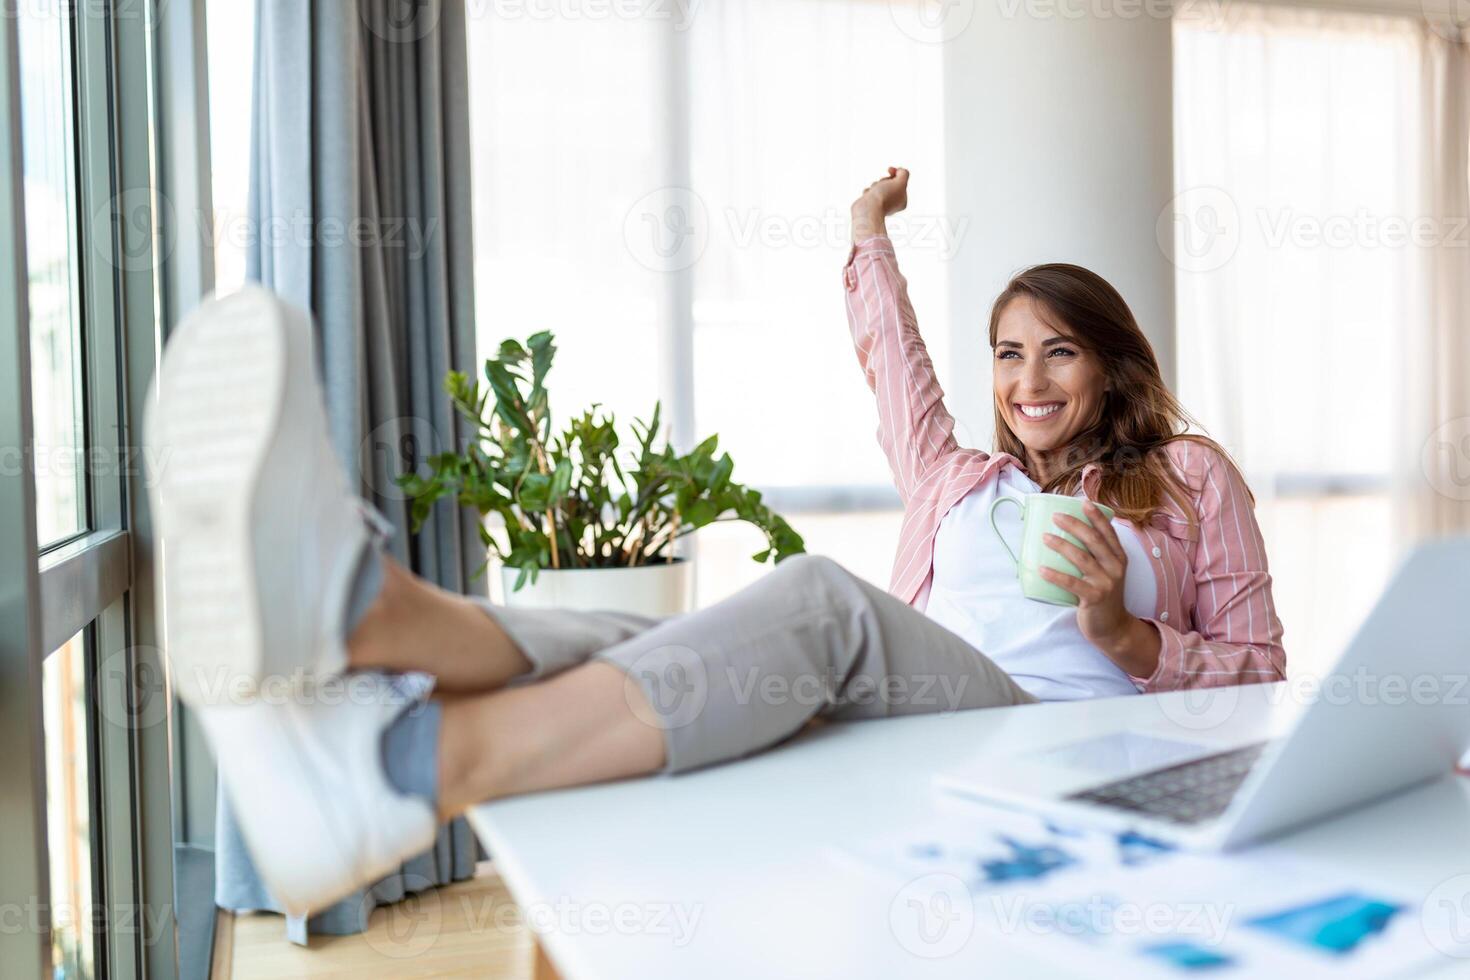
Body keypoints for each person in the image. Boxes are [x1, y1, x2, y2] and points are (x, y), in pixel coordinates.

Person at [146, 168, 1284, 915]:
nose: (1027, 380)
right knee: (652, 633)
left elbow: (1266, 671)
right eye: (1007, 352)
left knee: (829, 607)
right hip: (946, 709)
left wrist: (1129, 635)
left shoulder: (1188, 478)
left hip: (1059, 743)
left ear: (1111, 360)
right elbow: (898, 367)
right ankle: (369, 623)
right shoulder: (958, 478)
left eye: (1058, 351)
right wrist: (862, 234)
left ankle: (399, 766)